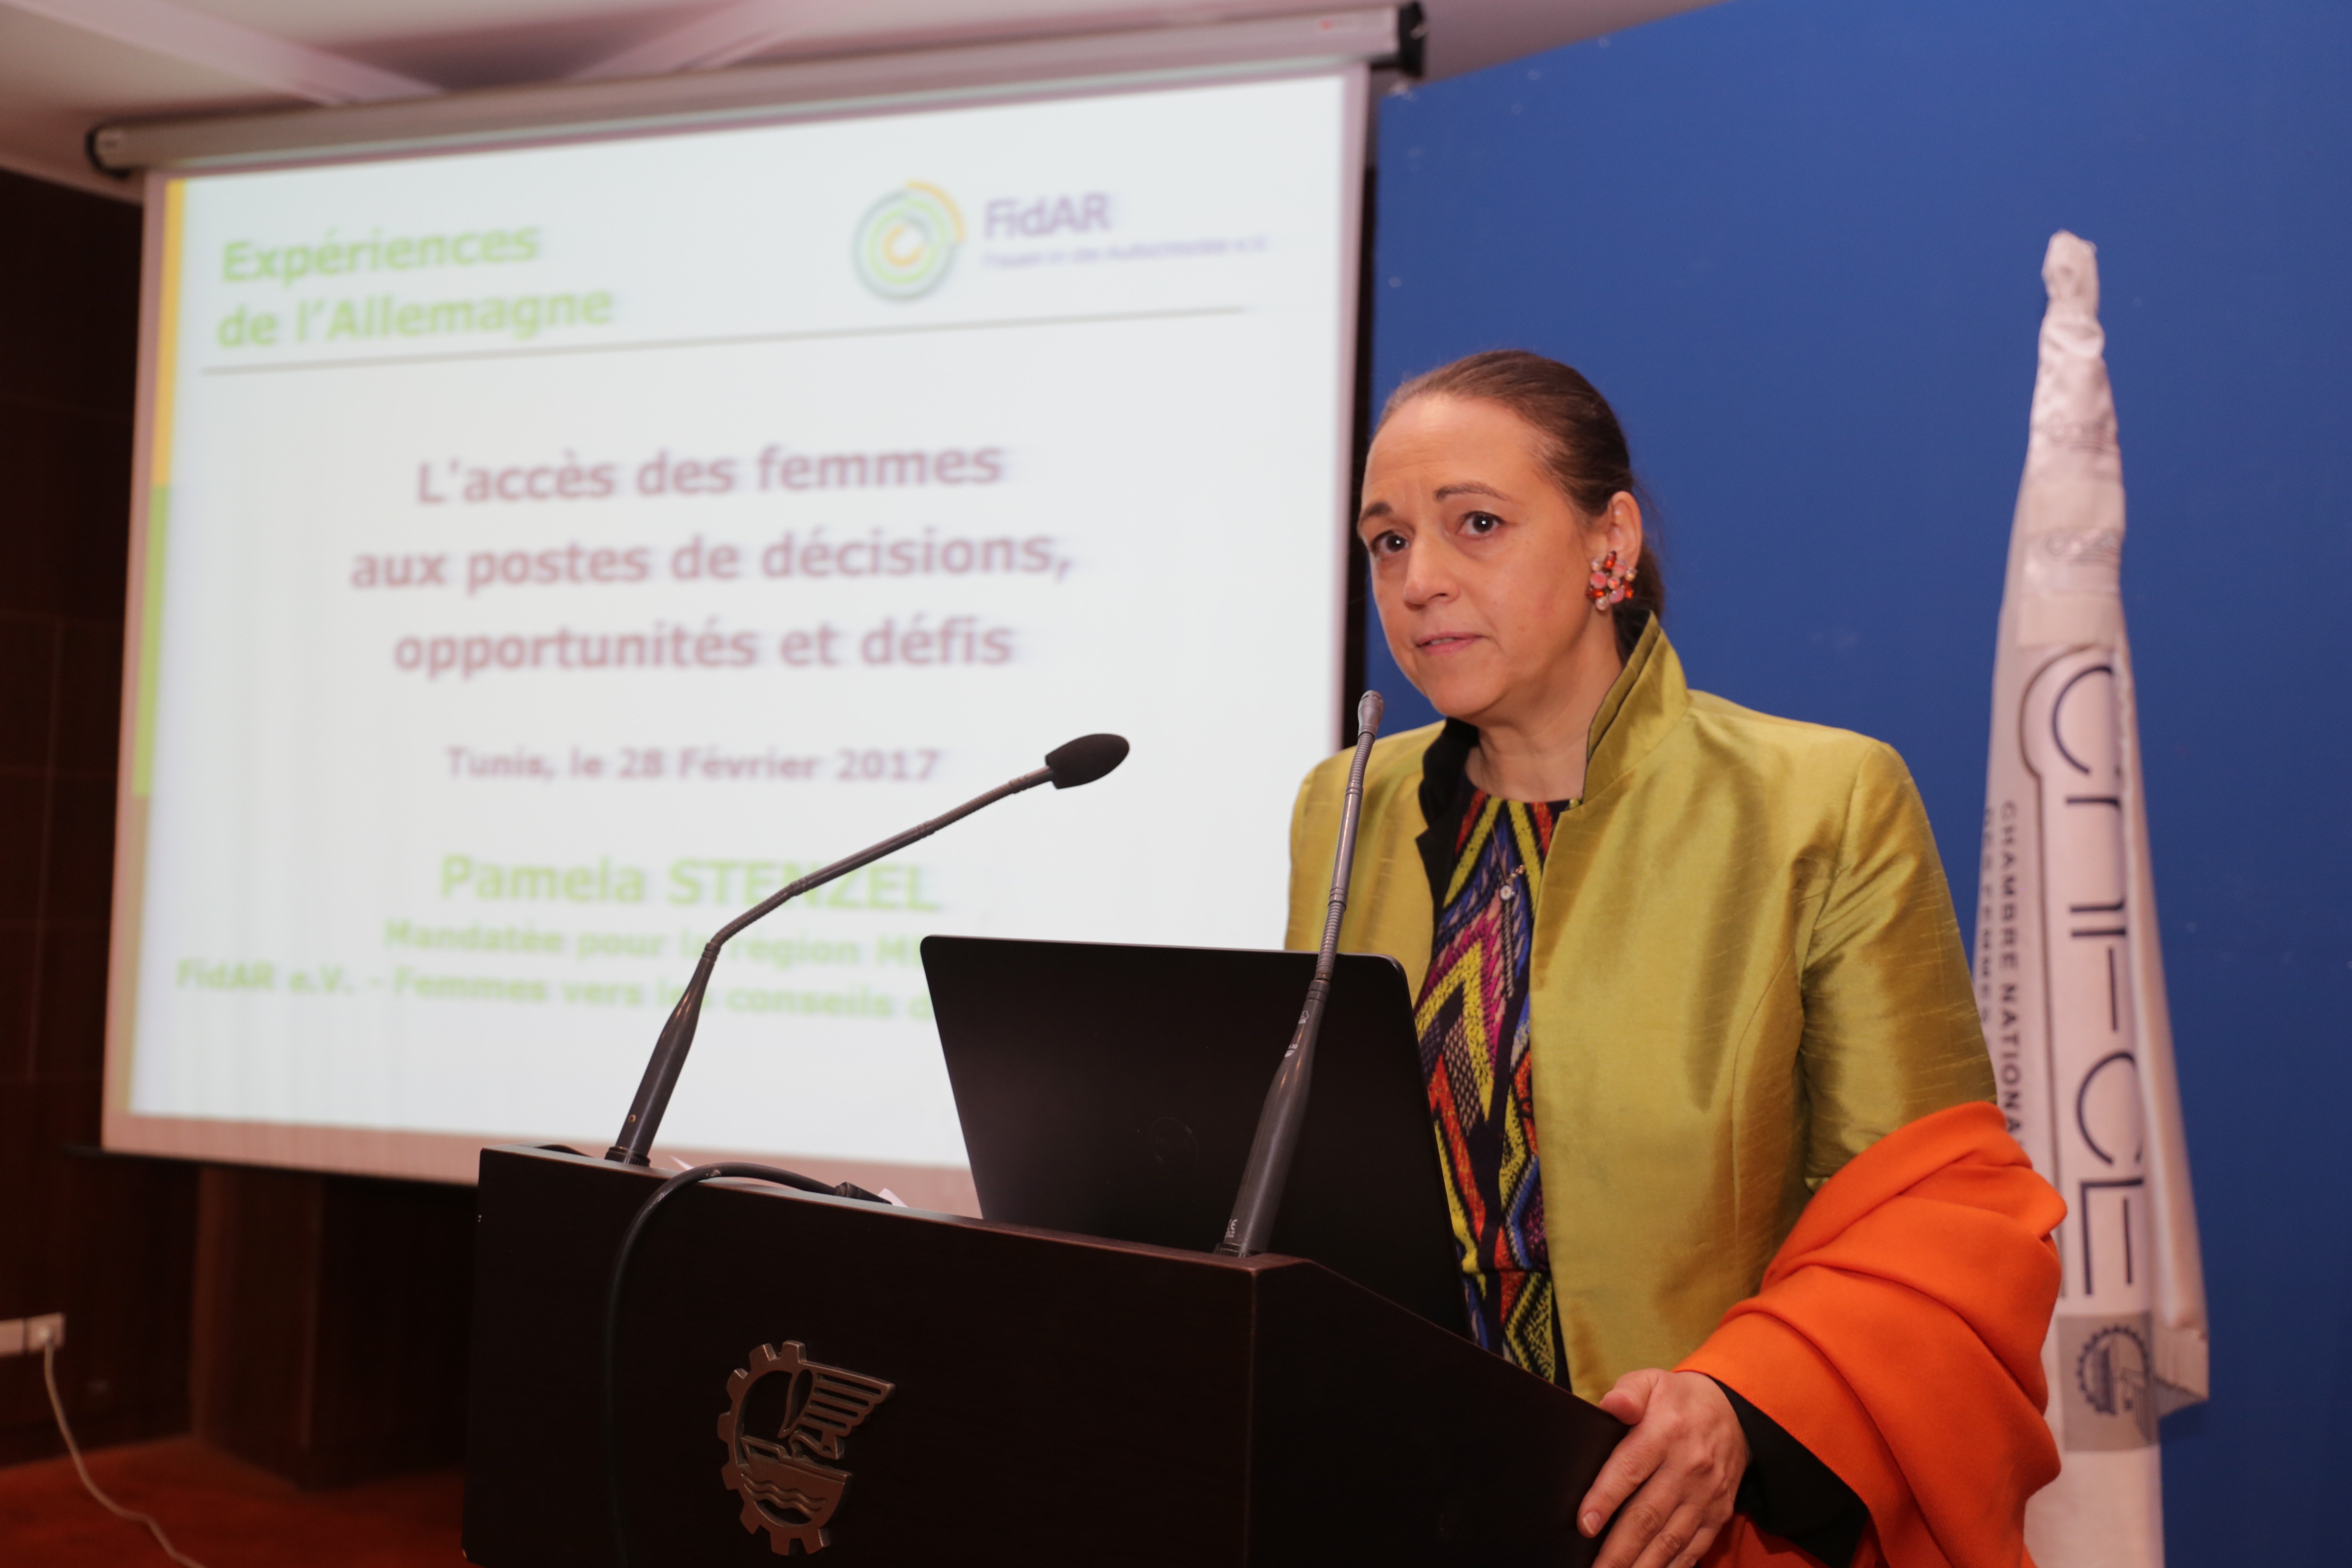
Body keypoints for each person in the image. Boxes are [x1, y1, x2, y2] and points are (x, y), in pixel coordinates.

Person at [1286, 352, 2064, 1568]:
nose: (1420, 579)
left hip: (1681, 1528)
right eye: (1387, 542)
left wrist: (1743, 1403)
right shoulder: (1345, 807)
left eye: (1475, 524)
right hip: (1392, 1501)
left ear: (1612, 543)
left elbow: (1934, 1218)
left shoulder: (1819, 803)